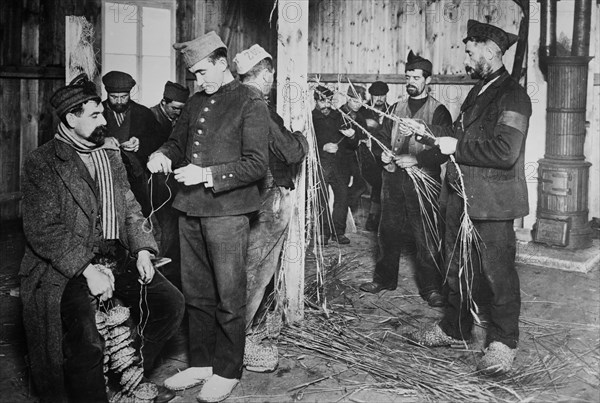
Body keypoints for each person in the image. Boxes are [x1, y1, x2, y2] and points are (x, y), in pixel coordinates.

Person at [20, 74, 184, 403]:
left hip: (114, 257)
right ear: (71, 118)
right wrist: (87, 269)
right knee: (87, 340)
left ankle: (128, 372)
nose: (104, 119)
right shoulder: (43, 162)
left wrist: (140, 250)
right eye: (95, 115)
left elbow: (129, 207)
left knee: (170, 304)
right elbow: (44, 230)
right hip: (66, 268)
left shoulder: (108, 155)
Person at [148, 31, 269, 402]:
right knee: (197, 293)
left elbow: (256, 165)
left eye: (203, 73)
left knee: (229, 296)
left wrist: (207, 175)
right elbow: (176, 141)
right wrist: (163, 154)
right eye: (194, 76)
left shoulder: (250, 101)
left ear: (221, 62)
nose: (198, 82)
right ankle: (201, 363)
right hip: (190, 209)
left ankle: (227, 370)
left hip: (228, 212)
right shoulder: (196, 101)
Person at [405, 20, 531, 376]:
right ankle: (455, 326)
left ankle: (504, 342)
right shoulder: (479, 91)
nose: (466, 55)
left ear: (490, 50)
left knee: (497, 274)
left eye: (470, 49)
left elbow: (506, 151)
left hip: (492, 201)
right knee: (456, 265)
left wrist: (456, 147)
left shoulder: (513, 95)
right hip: (461, 195)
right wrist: (427, 132)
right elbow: (458, 133)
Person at [234, 44, 308, 372]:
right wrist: (302, 138)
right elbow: (290, 151)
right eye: (271, 74)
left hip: (240, 199)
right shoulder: (259, 107)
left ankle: (236, 332)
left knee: (243, 266)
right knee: (258, 268)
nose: (272, 79)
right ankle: (239, 340)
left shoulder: (227, 101)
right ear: (265, 74)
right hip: (269, 197)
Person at [360, 51, 452, 309]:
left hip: (422, 182)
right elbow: (379, 138)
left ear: (428, 80)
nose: (410, 81)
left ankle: (432, 287)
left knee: (426, 235)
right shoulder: (394, 108)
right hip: (392, 180)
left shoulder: (439, 112)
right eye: (408, 77)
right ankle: (384, 279)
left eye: (416, 77)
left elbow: (444, 151)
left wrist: (417, 160)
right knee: (387, 231)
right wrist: (384, 156)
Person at [102, 71, 161, 217]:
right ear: (107, 94)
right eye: (114, 97)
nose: (120, 101)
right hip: (105, 175)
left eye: (124, 97)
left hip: (137, 178)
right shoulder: (97, 112)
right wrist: (103, 142)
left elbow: (160, 139)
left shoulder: (143, 113)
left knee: (137, 215)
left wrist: (140, 143)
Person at [149, 81, 190, 287]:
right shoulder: (149, 118)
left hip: (175, 188)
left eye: (182, 110)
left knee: (174, 233)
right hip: (154, 189)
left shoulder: (181, 120)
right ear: (163, 102)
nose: (178, 113)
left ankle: (172, 279)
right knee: (162, 232)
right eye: (175, 109)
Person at [312, 85, 359, 245]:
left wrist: (353, 137)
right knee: (321, 199)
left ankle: (338, 232)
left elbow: (352, 146)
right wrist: (322, 147)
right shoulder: (309, 118)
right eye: (322, 101)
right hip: (321, 165)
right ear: (315, 100)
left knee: (343, 198)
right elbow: (304, 143)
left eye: (329, 101)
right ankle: (323, 233)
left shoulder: (340, 117)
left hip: (340, 166)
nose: (325, 105)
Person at [360, 81, 395, 231]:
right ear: (371, 96)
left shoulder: (393, 111)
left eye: (382, 95)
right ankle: (374, 216)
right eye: (376, 95)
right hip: (365, 155)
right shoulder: (363, 111)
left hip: (384, 154)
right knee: (378, 180)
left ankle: (376, 217)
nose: (379, 98)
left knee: (384, 179)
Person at [340, 85, 368, 215]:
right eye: (355, 101)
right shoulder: (340, 114)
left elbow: (363, 135)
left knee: (360, 185)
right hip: (342, 158)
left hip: (357, 157)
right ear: (348, 98)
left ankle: (350, 211)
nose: (358, 105)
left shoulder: (360, 116)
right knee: (345, 187)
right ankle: (346, 212)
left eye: (361, 102)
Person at [150, 81, 190, 145]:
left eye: (181, 109)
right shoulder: (150, 115)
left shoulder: (183, 116)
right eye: (174, 108)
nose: (178, 112)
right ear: (164, 102)